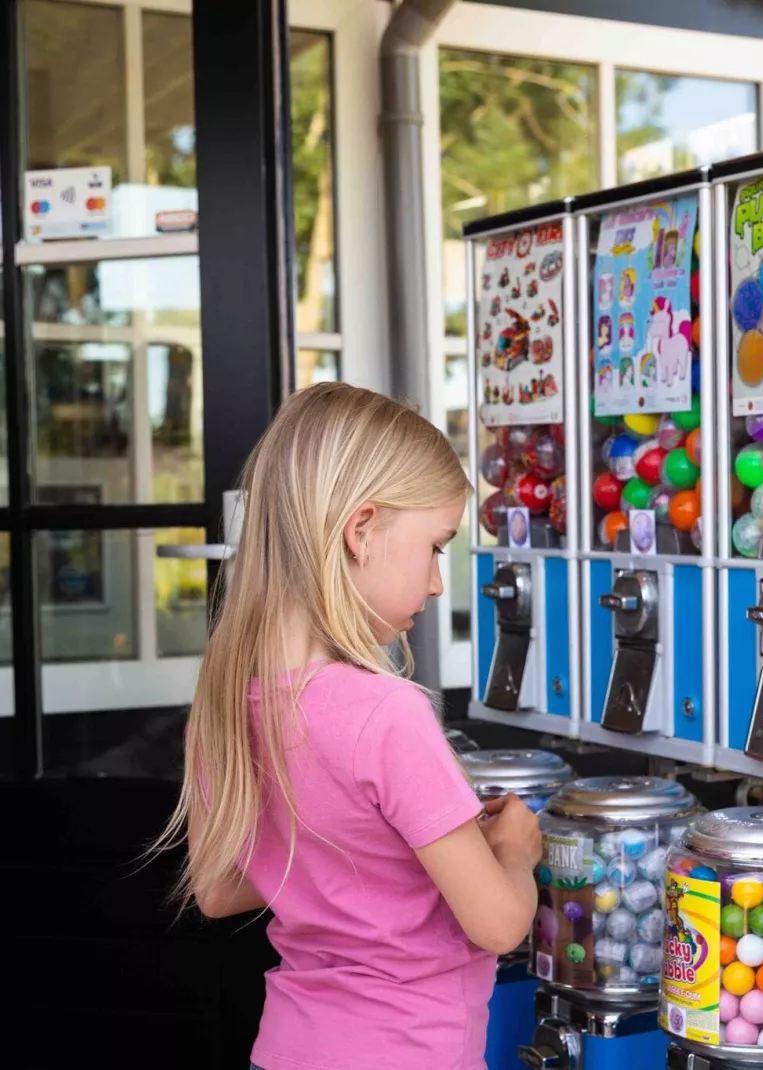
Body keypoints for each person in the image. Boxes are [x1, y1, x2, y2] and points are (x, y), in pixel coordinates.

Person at [155, 383, 544, 1070]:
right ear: (360, 530)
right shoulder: (387, 714)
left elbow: (219, 890)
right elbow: (499, 923)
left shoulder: (224, 697)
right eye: (434, 546)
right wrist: (512, 850)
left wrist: (386, 850)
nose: (433, 583)